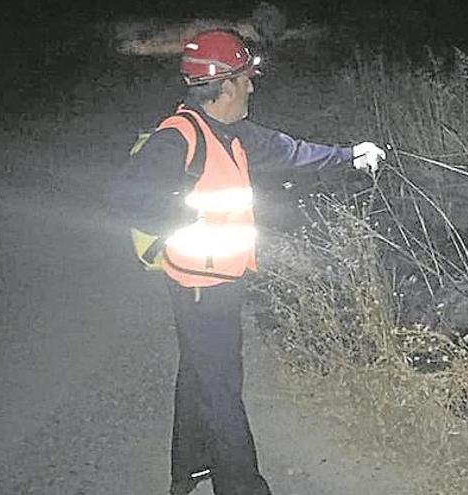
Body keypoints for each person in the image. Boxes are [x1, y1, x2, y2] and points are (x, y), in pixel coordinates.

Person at [112, 29, 386, 495]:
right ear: (225, 85)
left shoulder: (231, 130)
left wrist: (348, 156)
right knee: (222, 391)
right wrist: (183, 213)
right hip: (200, 287)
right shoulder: (179, 138)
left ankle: (190, 467)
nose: (253, 87)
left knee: (199, 370)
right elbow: (125, 196)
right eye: (246, 79)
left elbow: (287, 151)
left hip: (221, 281)